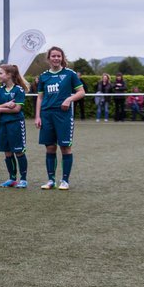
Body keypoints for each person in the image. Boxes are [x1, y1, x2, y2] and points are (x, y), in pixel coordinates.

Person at [35, 46, 85, 189]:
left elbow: (81, 92)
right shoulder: (44, 76)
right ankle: (51, 180)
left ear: (62, 58)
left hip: (63, 115)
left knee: (65, 147)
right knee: (50, 148)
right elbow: (40, 98)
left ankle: (65, 181)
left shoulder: (70, 74)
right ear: (48, 58)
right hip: (46, 115)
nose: (56, 58)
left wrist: (69, 99)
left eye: (59, 56)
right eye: (53, 56)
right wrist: (38, 116)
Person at [0, 64, 29, 188]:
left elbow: (16, 109)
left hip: (16, 124)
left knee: (18, 151)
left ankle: (23, 179)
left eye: (1, 73)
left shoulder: (18, 90)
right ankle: (12, 178)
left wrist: (1, 108)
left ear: (9, 75)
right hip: (3, 124)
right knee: (7, 152)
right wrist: (7, 104)